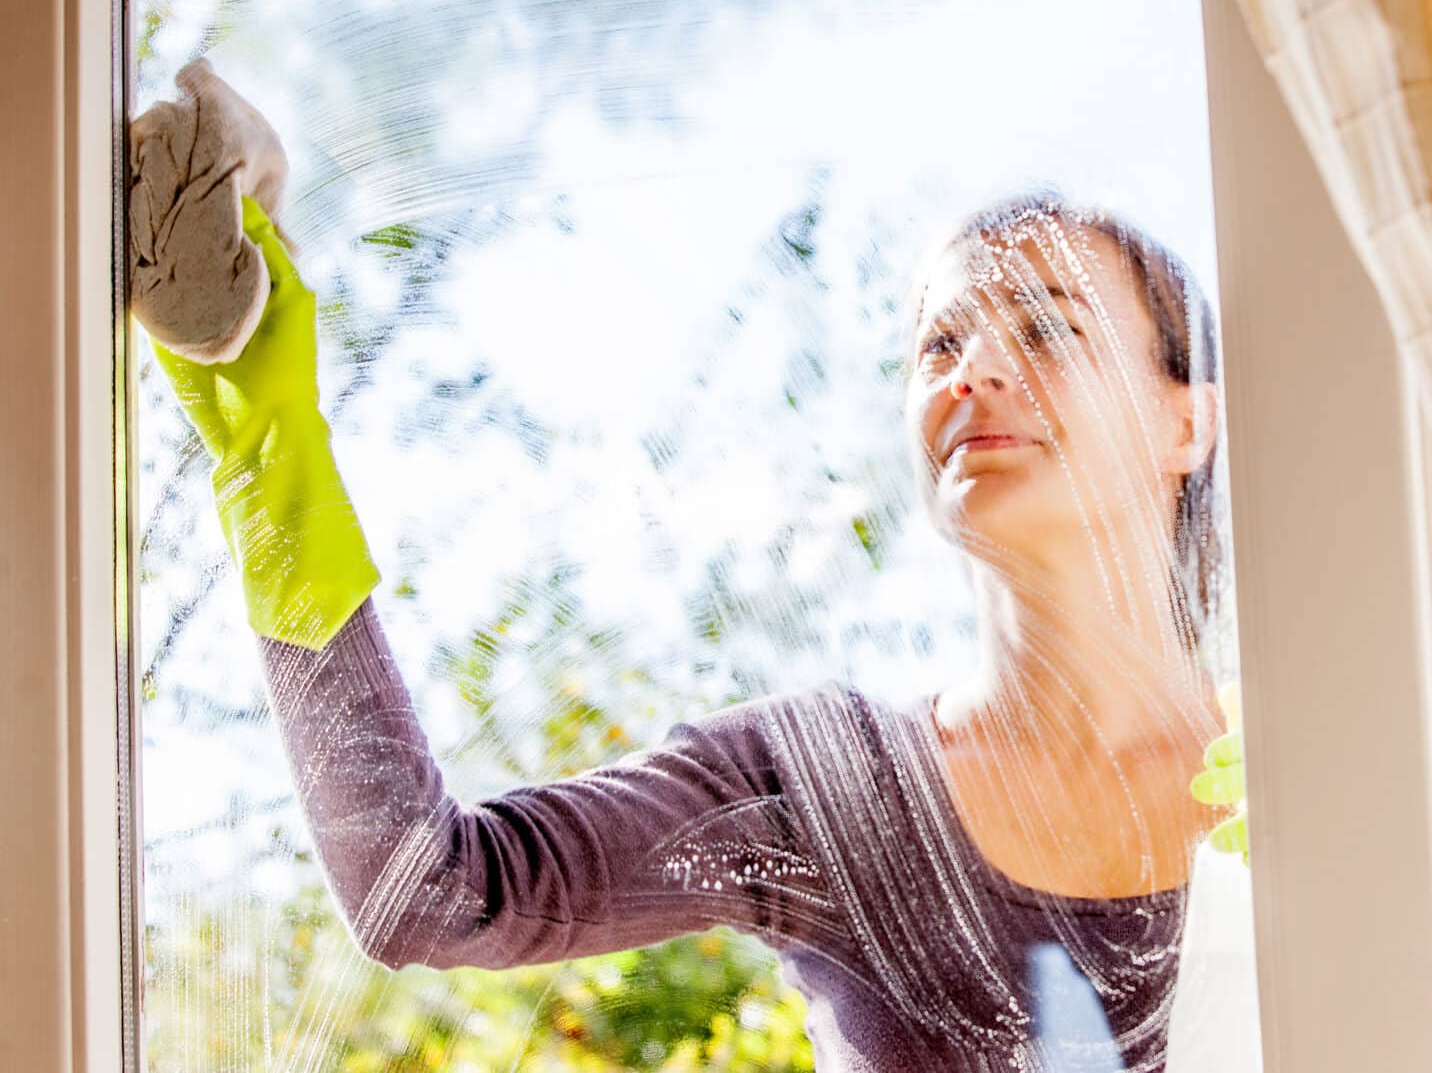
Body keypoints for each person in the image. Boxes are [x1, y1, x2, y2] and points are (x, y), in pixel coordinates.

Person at [152, 139, 1240, 1071]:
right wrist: (268, 449)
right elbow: (426, 890)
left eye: (1047, 328)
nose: (974, 371)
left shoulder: (1290, 777)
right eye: (941, 344)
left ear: (1186, 424)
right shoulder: (827, 790)